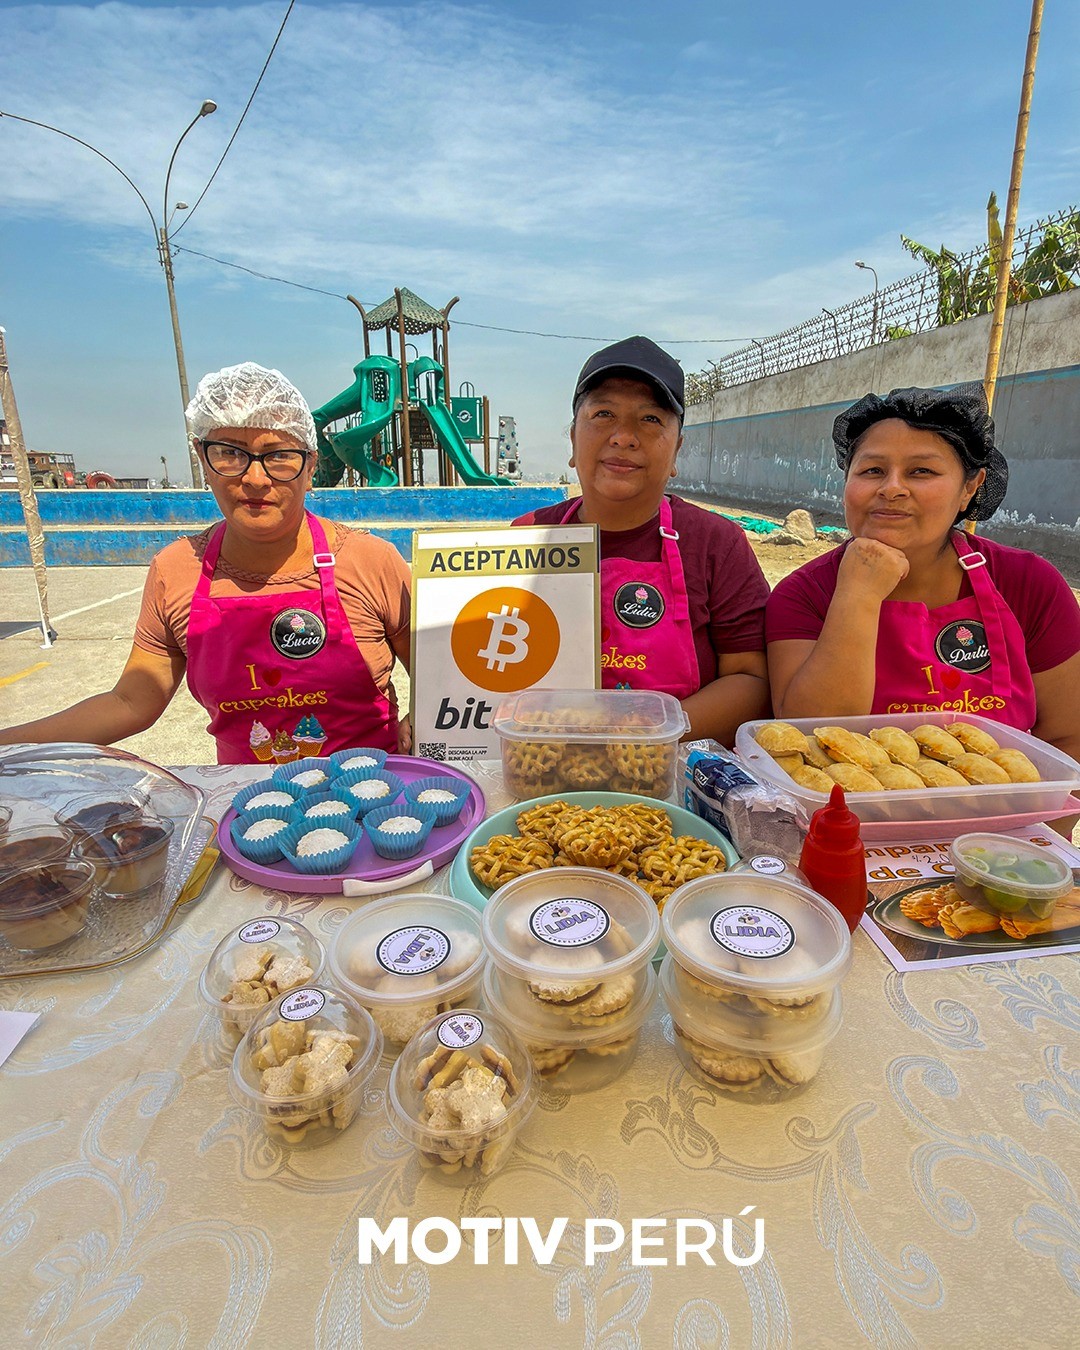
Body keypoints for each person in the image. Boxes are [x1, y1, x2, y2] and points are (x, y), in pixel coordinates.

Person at [1, 363, 412, 763]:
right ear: (203, 460)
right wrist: (7, 745)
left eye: (279, 456)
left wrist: (424, 718)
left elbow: (442, 676)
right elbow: (131, 701)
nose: (255, 479)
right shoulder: (175, 570)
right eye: (231, 454)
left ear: (310, 467)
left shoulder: (371, 562)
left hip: (374, 803)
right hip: (246, 813)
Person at [766, 383, 1080, 760]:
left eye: (922, 471)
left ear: (970, 488)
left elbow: (1069, 739)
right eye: (872, 470)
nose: (892, 488)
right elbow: (812, 740)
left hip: (1005, 817)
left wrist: (1029, 822)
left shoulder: (1029, 584)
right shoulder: (803, 595)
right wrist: (857, 595)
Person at [514, 336, 770, 745]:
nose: (624, 436)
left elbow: (751, 679)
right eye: (603, 413)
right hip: (545, 767)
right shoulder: (526, 536)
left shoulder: (716, 542)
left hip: (675, 776)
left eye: (650, 419)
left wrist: (650, 733)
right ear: (573, 440)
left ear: (677, 450)